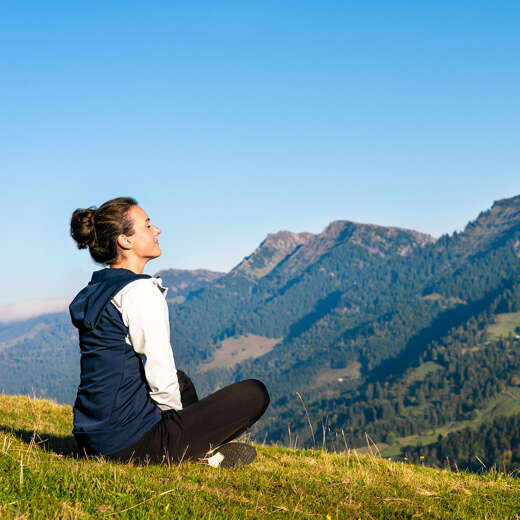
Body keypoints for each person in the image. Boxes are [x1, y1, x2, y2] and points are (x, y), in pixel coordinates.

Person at [69, 196, 270, 467]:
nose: (157, 230)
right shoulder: (139, 292)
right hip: (127, 445)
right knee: (255, 394)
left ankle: (195, 447)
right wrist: (183, 427)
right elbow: (158, 370)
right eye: (148, 226)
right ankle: (197, 454)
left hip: (92, 439)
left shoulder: (98, 290)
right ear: (125, 241)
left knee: (181, 380)